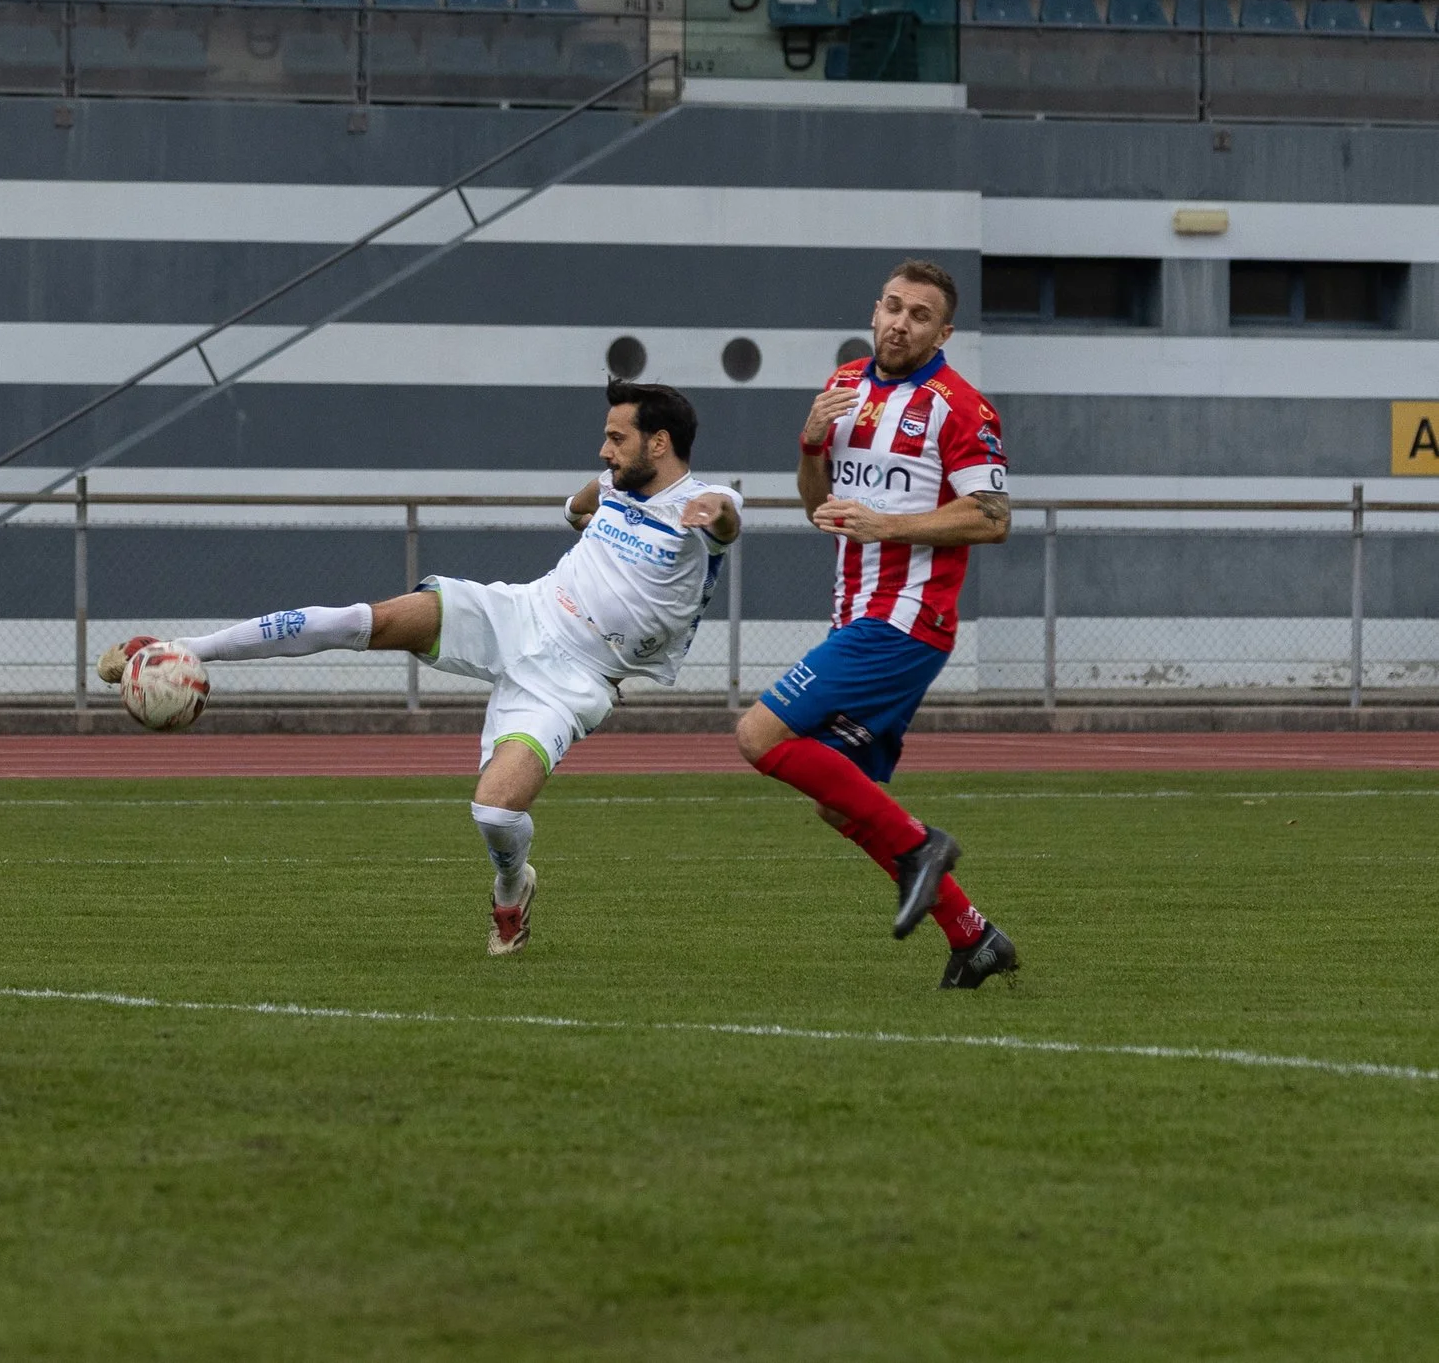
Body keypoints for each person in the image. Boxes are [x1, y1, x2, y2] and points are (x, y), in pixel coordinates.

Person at [97, 383, 740, 957]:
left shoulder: (707, 503)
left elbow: (727, 521)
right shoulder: (610, 488)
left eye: (616, 438)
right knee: (361, 620)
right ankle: (182, 648)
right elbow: (579, 509)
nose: (604, 449)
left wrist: (716, 516)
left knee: (493, 815)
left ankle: (513, 888)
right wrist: (587, 501)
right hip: (519, 612)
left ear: (659, 444)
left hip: (575, 679)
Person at [734, 262, 1021, 990]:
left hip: (905, 619)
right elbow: (817, 506)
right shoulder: (847, 385)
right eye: (893, 307)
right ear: (875, 309)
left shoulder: (962, 407)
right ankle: (973, 934)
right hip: (855, 613)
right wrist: (807, 445)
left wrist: (887, 522)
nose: (900, 322)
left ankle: (925, 848)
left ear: (943, 331)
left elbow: (993, 518)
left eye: (919, 314)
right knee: (842, 802)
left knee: (757, 734)